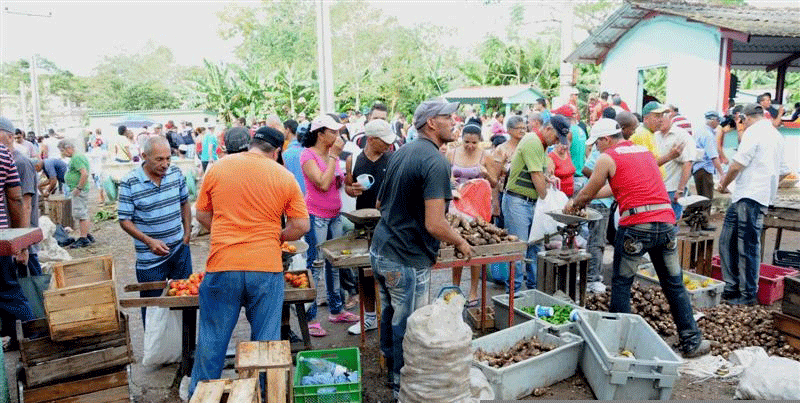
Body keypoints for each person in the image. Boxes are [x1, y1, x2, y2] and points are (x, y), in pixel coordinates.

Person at [566, 117, 710, 358]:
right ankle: (692, 340)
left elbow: (589, 191)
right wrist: (585, 198)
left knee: (622, 284)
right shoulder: (643, 152)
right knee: (674, 284)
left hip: (637, 227)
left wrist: (574, 204)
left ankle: (616, 348)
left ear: (606, 139)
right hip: (665, 224)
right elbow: (614, 188)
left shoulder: (607, 157)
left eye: (597, 143)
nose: (596, 148)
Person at [189, 126, 309, 398]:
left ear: (252, 143)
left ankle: (201, 395)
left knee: (212, 339)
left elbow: (202, 215)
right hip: (265, 268)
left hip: (223, 264)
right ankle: (265, 394)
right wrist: (276, 236)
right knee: (264, 343)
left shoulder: (218, 168)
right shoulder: (283, 175)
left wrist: (223, 230)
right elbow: (301, 225)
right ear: (277, 151)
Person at [370, 98, 474, 398]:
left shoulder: (401, 152)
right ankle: (405, 389)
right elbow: (435, 225)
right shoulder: (435, 160)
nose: (454, 122)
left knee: (391, 317)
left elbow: (380, 203)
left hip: (382, 250)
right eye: (448, 117)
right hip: (406, 258)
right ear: (431, 123)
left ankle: (392, 376)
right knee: (410, 328)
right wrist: (461, 240)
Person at [717, 104, 791, 306]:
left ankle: (747, 293)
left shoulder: (754, 132)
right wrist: (769, 184)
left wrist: (724, 184)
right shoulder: (775, 134)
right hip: (746, 195)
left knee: (746, 246)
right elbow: (784, 170)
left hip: (750, 195)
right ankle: (732, 287)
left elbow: (736, 164)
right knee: (728, 241)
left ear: (744, 118)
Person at [118, 136, 192, 324]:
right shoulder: (130, 182)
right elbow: (124, 220)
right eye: (159, 159)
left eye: (168, 158)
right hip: (150, 259)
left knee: (186, 302)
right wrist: (148, 241)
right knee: (153, 310)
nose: (165, 164)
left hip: (179, 251)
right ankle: (158, 352)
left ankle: (187, 349)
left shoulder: (176, 174)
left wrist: (186, 235)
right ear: (144, 156)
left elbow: (185, 202)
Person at [301, 115, 359, 336]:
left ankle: (336, 310)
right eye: (333, 132)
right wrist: (335, 156)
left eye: (338, 132)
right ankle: (311, 317)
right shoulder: (308, 155)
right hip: (317, 216)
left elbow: (338, 183)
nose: (337, 136)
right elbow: (323, 184)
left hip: (334, 214)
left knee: (335, 265)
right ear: (320, 133)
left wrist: (352, 184)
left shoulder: (330, 156)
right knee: (315, 265)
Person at [503, 115, 570, 292]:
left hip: (531, 203)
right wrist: (548, 201)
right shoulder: (533, 141)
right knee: (519, 249)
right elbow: (535, 176)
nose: (557, 142)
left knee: (536, 246)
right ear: (548, 129)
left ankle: (534, 290)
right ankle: (514, 295)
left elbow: (540, 174)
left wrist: (549, 179)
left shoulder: (543, 146)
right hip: (518, 202)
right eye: (556, 137)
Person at [343, 119, 395, 335]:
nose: (388, 145)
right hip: (363, 223)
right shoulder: (353, 159)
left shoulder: (393, 158)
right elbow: (347, 185)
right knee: (364, 272)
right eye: (384, 141)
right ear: (371, 139)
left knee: (390, 271)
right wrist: (351, 190)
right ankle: (370, 317)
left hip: (389, 223)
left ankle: (392, 317)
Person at [446, 123, 492, 307]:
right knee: (457, 244)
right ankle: (454, 288)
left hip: (478, 206)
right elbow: (443, 176)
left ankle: (473, 291)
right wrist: (449, 181)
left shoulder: (485, 156)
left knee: (476, 248)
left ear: (480, 141)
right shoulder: (452, 153)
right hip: (457, 205)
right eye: (466, 142)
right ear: (461, 139)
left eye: (474, 142)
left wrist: (486, 174)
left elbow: (495, 183)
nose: (470, 146)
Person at [0, 117, 35, 351]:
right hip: (0, 241)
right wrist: (20, 241)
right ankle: (37, 339)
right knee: (10, 292)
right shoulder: (3, 154)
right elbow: (15, 198)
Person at [2, 124, 41, 278]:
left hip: (22, 234)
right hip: (13, 236)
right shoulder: (8, 161)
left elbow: (25, 205)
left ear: (10, 137)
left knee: (32, 283)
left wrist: (23, 244)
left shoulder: (21, 163)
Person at [654, 106, 694, 221]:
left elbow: (688, 163)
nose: (659, 120)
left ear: (670, 117)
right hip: (658, 189)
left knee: (671, 223)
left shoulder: (681, 136)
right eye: (657, 117)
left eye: (662, 117)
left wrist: (680, 190)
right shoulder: (656, 136)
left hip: (672, 189)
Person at [58, 139, 95, 248]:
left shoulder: (77, 158)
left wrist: (79, 187)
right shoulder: (76, 158)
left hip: (79, 190)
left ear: (68, 148)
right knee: (81, 212)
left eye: (62, 150)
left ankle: (83, 238)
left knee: (81, 213)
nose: (63, 153)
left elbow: (84, 174)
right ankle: (86, 234)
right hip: (78, 189)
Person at [693, 111, 725, 205]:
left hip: (698, 168)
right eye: (718, 121)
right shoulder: (708, 135)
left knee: (701, 197)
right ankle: (704, 218)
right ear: (712, 120)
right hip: (704, 169)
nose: (719, 123)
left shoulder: (700, 131)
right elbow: (713, 156)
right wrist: (722, 174)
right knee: (706, 199)